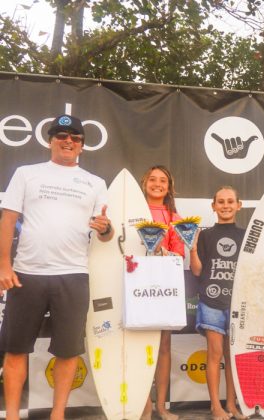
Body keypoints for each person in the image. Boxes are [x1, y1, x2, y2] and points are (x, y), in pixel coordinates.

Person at [0, 114, 113, 420]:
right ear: (50, 141)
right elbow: (8, 220)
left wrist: (104, 228)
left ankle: (58, 414)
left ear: (82, 146)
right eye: (61, 136)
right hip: (27, 274)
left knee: (68, 351)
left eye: (75, 138)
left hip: (73, 275)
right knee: (15, 350)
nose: (68, 141)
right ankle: (11, 416)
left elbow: (106, 233)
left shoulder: (95, 183)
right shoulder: (26, 173)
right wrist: (4, 265)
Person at [189, 186, 246, 420]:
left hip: (237, 304)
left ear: (238, 205)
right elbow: (197, 271)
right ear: (213, 206)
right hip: (211, 301)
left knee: (233, 356)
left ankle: (231, 405)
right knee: (215, 354)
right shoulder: (205, 235)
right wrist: (192, 250)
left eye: (230, 201)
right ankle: (216, 407)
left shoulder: (246, 235)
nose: (225, 205)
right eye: (220, 202)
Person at [140, 165, 185, 420]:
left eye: (163, 181)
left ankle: (161, 406)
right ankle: (144, 403)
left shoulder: (175, 218)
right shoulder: (131, 210)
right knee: (139, 345)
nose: (157, 184)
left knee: (164, 346)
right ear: (144, 182)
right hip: (136, 285)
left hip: (164, 286)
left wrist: (163, 252)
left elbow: (179, 255)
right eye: (153, 179)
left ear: (169, 188)